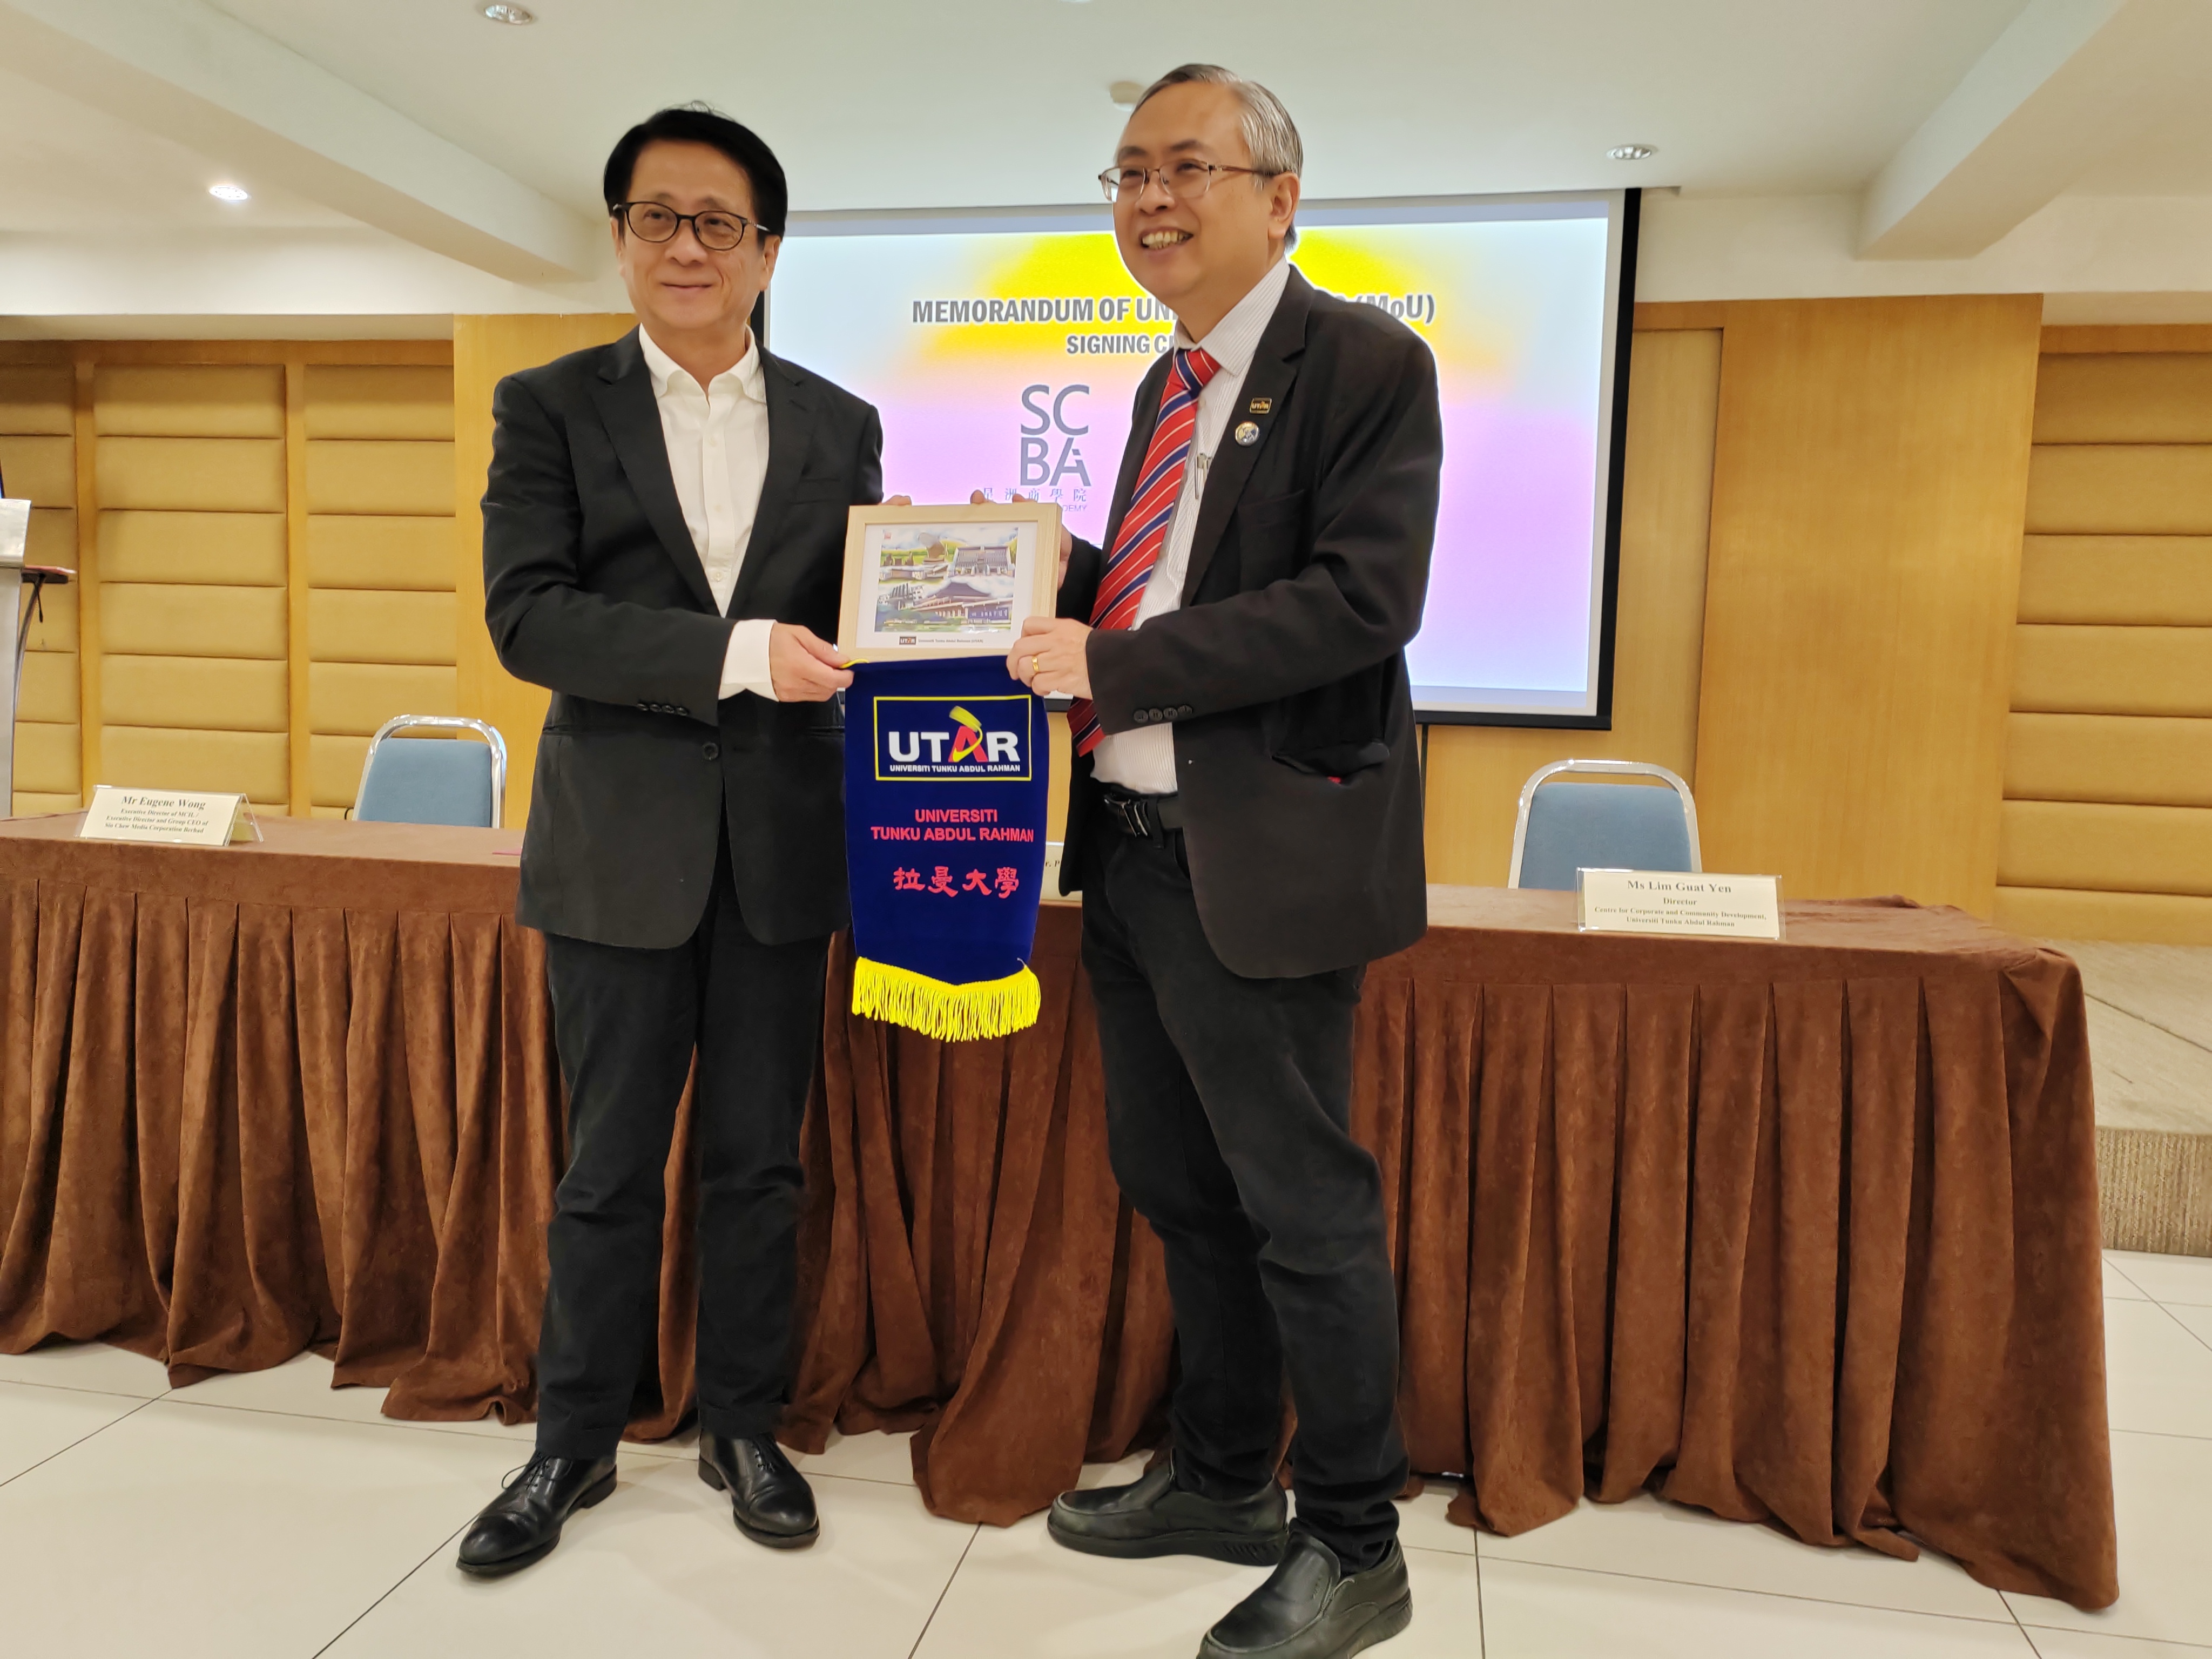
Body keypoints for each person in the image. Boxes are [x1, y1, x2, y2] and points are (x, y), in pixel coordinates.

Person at [1005, 64, 1440, 1659]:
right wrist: (1042, 579)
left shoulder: (1368, 362)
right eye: (1126, 173)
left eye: (1185, 167)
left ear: (1281, 197)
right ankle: (1217, 1481)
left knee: (1303, 1210)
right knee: (1181, 1193)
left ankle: (1355, 1540)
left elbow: (1356, 604)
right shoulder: (1159, 387)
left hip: (1254, 857)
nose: (1148, 202)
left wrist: (1110, 663)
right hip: (1124, 847)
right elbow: (1167, 588)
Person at [458, 104, 882, 1576]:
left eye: (718, 222)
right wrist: (740, 652)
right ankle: (570, 1445)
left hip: (780, 848)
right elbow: (531, 616)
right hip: (616, 846)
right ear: (623, 236)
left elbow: (874, 612)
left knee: (761, 1162)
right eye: (657, 217)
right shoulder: (549, 404)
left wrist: (988, 594)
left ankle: (744, 1424)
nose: (686, 245)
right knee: (605, 1165)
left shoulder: (842, 424)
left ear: (768, 249)